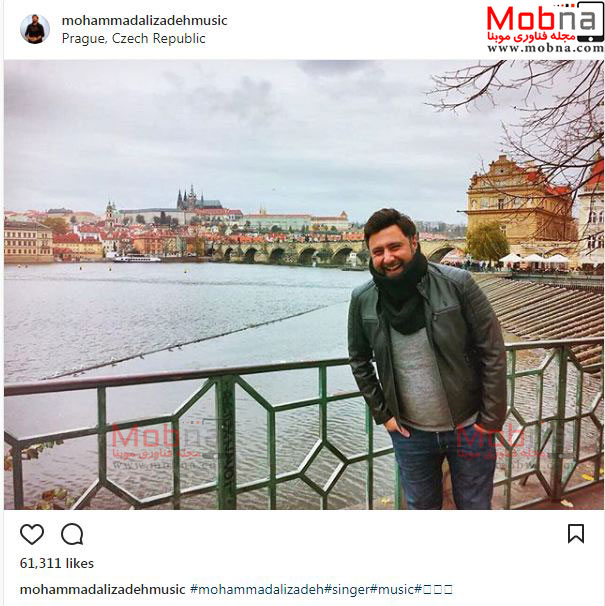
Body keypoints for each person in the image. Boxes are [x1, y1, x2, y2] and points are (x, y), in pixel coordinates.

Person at [347, 208, 506, 509]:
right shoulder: (363, 298)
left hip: (469, 426)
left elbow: (492, 349)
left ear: (414, 242)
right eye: (378, 251)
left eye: (394, 246)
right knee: (422, 508)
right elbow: (359, 360)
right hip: (410, 433)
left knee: (475, 507)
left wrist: (490, 420)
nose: (387, 257)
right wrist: (384, 415)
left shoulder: (458, 284)